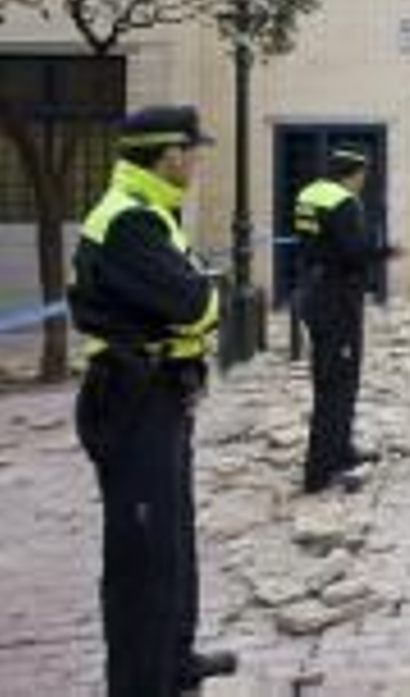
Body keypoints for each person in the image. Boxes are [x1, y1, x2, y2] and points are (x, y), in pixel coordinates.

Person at [68, 105, 238, 696]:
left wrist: (201, 290)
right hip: (133, 396)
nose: (196, 162)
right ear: (170, 155)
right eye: (193, 151)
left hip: (162, 394)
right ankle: (143, 683)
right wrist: (206, 292)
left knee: (170, 537)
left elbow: (193, 291)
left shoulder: (150, 213)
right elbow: (195, 301)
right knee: (142, 554)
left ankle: (174, 660)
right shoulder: (128, 222)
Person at [293, 147, 399, 494]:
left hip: (313, 290)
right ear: (354, 173)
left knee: (328, 378)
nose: (364, 181)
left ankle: (341, 450)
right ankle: (321, 470)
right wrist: (384, 251)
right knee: (339, 382)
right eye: (363, 174)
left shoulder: (309, 194)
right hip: (337, 300)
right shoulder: (343, 202)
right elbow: (355, 251)